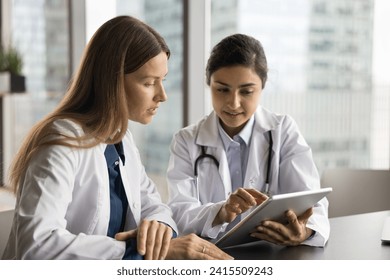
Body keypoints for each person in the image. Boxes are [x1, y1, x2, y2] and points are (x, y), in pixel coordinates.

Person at [2, 16, 232, 260]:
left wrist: (158, 228)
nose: (162, 95)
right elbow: (37, 245)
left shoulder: (121, 140)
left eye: (162, 81)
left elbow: (153, 205)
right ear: (112, 81)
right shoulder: (61, 143)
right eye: (149, 83)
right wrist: (135, 253)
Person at [167, 34, 330, 247]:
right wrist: (221, 212)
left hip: (271, 254)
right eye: (222, 89)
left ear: (262, 87)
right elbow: (178, 213)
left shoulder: (283, 131)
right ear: (209, 84)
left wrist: (304, 231)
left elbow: (311, 203)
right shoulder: (186, 141)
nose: (233, 103)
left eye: (246, 91)